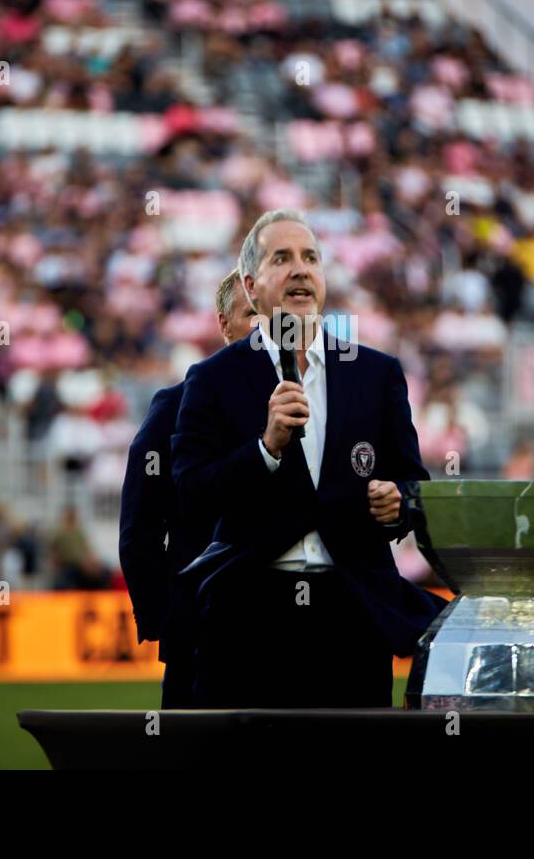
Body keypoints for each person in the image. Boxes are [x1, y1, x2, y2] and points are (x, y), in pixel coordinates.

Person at [172, 210, 449, 708]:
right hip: (250, 615)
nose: (301, 270)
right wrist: (266, 449)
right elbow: (191, 491)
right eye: (283, 259)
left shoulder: (375, 373)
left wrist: (399, 503)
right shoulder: (212, 379)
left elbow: (413, 484)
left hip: (353, 615)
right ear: (252, 287)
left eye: (310, 258)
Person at [118, 269, 258, 707]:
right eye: (252, 314)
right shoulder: (175, 406)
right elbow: (139, 527)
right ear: (223, 323)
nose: (265, 327)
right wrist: (169, 616)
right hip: (200, 637)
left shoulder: (317, 409)